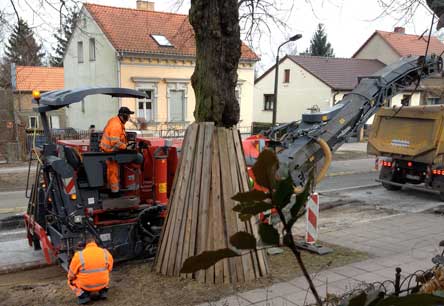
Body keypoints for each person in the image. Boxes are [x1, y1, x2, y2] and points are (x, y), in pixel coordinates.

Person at [67, 236, 114, 304]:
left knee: (70, 281)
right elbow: (110, 269)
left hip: (86, 287)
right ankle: (103, 291)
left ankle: (83, 296)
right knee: (105, 273)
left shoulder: (78, 255)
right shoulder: (105, 252)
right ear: (96, 243)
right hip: (103, 283)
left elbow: (71, 274)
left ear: (84, 245)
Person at [99, 107, 134, 197]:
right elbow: (115, 142)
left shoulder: (115, 121)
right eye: (128, 115)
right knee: (113, 172)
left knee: (110, 172)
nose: (129, 117)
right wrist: (126, 147)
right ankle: (114, 192)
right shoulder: (116, 125)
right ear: (123, 115)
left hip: (108, 151)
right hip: (110, 151)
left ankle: (110, 189)